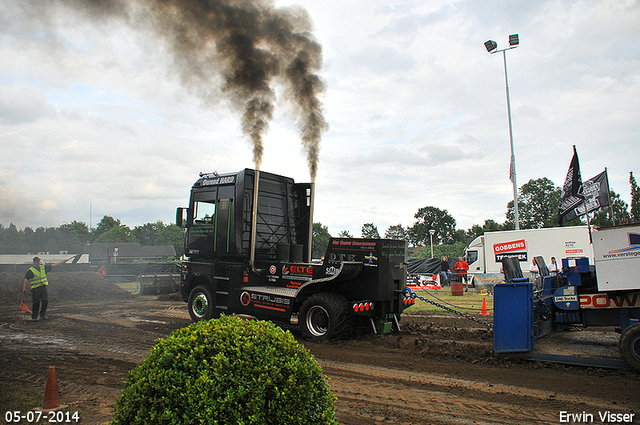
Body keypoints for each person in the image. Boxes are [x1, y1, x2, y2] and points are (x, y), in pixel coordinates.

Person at [23, 257, 64, 321]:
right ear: (34, 262)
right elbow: (26, 279)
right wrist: (24, 287)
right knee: (36, 302)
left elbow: (52, 265)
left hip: (43, 287)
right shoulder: (31, 270)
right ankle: (34, 316)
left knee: (45, 300)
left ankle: (42, 315)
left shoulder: (43, 267)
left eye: (39, 261)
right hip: (35, 288)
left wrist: (62, 262)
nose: (38, 262)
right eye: (37, 261)